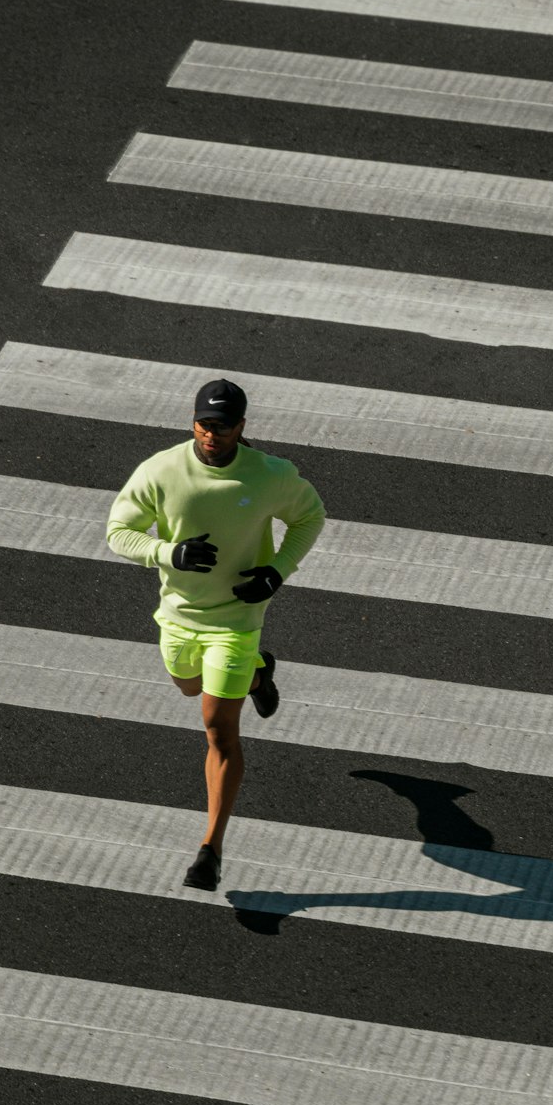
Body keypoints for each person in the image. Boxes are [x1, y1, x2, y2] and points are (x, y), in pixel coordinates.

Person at [105, 378, 326, 890]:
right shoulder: (160, 471)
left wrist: (276, 572)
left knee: (217, 728)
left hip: (236, 620)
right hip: (179, 615)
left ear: (241, 427)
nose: (213, 434)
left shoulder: (270, 475)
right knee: (187, 685)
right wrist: (167, 553)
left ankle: (211, 850)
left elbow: (310, 516)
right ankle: (257, 676)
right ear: (193, 421)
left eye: (224, 426)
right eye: (206, 423)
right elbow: (118, 531)